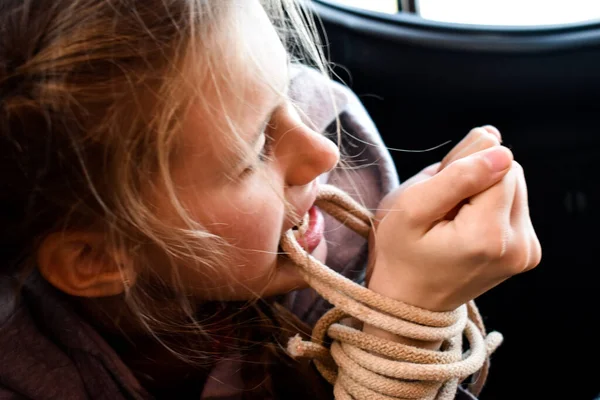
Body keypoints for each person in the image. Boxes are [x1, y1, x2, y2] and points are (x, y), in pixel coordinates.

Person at [0, 0, 541, 399]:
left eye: (284, 86)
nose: (323, 150)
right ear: (96, 258)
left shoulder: (340, 155)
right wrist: (403, 327)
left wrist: (409, 313)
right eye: (254, 149)